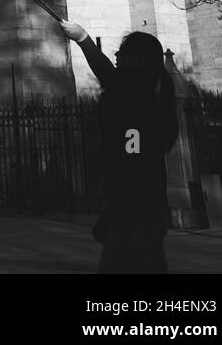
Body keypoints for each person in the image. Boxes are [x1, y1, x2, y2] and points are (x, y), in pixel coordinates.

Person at [61, 19, 178, 274]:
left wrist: (84, 39)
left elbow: (109, 77)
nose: (116, 55)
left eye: (122, 52)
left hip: (134, 203)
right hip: (144, 203)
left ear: (138, 59)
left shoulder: (137, 93)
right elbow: (109, 75)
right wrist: (83, 38)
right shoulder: (147, 86)